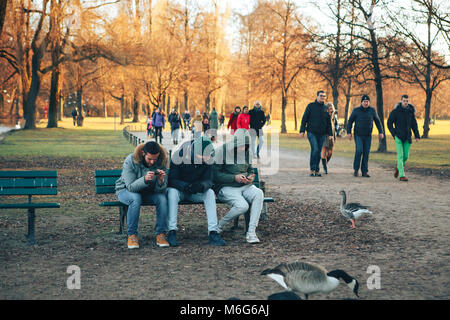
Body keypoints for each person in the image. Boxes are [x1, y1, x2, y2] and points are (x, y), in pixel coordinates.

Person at [167, 136, 226, 247]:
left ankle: (213, 232)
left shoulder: (208, 159)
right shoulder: (178, 156)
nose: (207, 158)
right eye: (204, 156)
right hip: (180, 191)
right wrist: (184, 186)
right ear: (195, 152)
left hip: (196, 191)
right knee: (171, 193)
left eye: (209, 155)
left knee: (209, 193)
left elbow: (209, 180)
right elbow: (171, 180)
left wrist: (201, 186)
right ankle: (172, 231)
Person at [115, 141, 169, 249]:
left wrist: (160, 181)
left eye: (155, 159)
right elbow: (130, 186)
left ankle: (161, 234)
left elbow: (161, 191)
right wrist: (144, 179)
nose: (153, 162)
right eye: (150, 159)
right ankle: (132, 235)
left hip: (148, 193)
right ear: (143, 153)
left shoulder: (162, 161)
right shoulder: (131, 160)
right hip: (125, 191)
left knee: (162, 199)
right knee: (135, 198)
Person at [213, 128, 263, 244]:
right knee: (243, 206)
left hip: (244, 186)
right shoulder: (222, 151)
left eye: (245, 146)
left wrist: (250, 176)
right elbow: (215, 175)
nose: (242, 149)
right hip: (226, 187)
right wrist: (234, 178)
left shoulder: (247, 152)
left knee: (259, 193)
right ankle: (220, 225)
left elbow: (250, 169)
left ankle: (251, 232)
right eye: (240, 146)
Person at [347, 94, 384, 178]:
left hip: (368, 135)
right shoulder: (356, 110)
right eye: (364, 101)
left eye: (367, 101)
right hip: (358, 135)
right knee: (359, 150)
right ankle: (356, 169)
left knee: (366, 153)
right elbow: (350, 121)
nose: (365, 103)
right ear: (361, 102)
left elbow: (377, 122)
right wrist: (349, 132)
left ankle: (364, 171)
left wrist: (381, 132)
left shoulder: (372, 110)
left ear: (369, 102)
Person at [299, 91, 333, 177]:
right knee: (315, 149)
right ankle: (312, 169)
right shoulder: (311, 106)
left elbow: (328, 123)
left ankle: (317, 170)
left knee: (318, 151)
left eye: (324, 96)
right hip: (311, 132)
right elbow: (304, 118)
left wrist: (330, 134)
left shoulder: (326, 108)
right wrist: (302, 130)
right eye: (321, 96)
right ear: (317, 96)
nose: (322, 97)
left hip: (322, 134)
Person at [387, 94, 420, 182]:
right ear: (401, 101)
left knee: (406, 155)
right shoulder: (395, 111)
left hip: (408, 137)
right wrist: (394, 134)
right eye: (404, 101)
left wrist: (417, 135)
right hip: (398, 137)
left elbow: (414, 125)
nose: (405, 102)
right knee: (400, 155)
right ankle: (402, 175)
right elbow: (389, 123)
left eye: (407, 101)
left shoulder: (410, 112)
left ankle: (398, 167)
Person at [321, 103, 338, 174]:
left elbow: (336, 125)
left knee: (330, 152)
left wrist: (337, 130)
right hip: (324, 135)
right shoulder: (323, 115)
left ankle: (325, 162)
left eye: (331, 109)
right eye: (329, 109)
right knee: (324, 151)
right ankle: (324, 166)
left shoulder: (334, 116)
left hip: (332, 135)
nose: (330, 110)